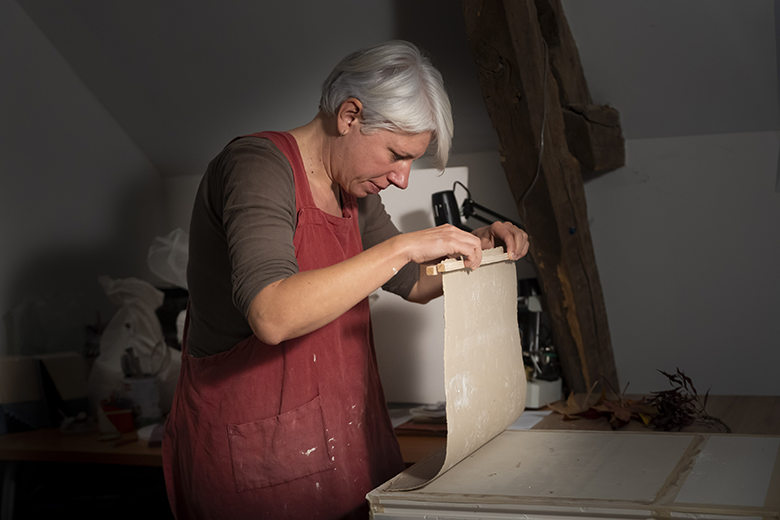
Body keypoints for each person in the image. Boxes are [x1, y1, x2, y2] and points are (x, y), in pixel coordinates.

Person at [162, 40, 529, 519]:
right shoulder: (256, 166)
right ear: (349, 116)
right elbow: (271, 314)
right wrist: (404, 245)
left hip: (343, 442)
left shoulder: (353, 192)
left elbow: (413, 282)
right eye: (396, 154)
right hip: (257, 451)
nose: (402, 178)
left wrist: (477, 247)